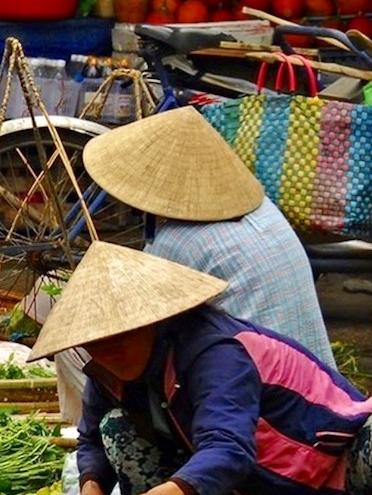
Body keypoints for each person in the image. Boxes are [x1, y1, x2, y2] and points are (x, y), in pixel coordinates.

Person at [27, 241, 372, 495]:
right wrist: (92, 488)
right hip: (240, 476)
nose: (109, 349)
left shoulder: (215, 351)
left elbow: (227, 447)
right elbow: (91, 440)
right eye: (96, 342)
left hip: (321, 462)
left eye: (121, 334)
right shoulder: (107, 370)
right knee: (116, 428)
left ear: (152, 321)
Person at [48, 106, 336, 424]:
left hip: (261, 406)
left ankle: (99, 442)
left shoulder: (176, 243)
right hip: (320, 388)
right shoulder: (264, 209)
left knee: (76, 347)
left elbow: (135, 329)